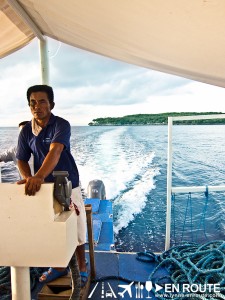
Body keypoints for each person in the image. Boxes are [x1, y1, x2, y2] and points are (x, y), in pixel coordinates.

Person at [16, 85, 88, 286]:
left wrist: (37, 176)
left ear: (51, 104)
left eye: (41, 101)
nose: (36, 106)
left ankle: (82, 264)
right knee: (52, 226)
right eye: (32, 102)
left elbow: (55, 152)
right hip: (44, 187)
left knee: (76, 226)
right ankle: (58, 265)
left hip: (67, 182)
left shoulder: (61, 125)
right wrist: (28, 177)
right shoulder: (26, 131)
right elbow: (21, 158)